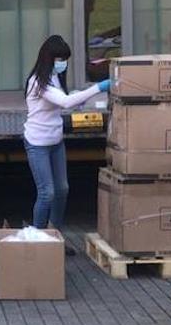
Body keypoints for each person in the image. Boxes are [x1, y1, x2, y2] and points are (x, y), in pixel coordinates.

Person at [23, 34, 112, 255]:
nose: (63, 63)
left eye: (65, 59)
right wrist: (100, 87)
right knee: (47, 193)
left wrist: (80, 95)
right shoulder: (37, 81)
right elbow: (65, 102)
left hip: (55, 141)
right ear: (49, 58)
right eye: (60, 58)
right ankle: (37, 239)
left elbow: (66, 100)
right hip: (37, 143)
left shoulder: (53, 78)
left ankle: (54, 236)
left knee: (62, 189)